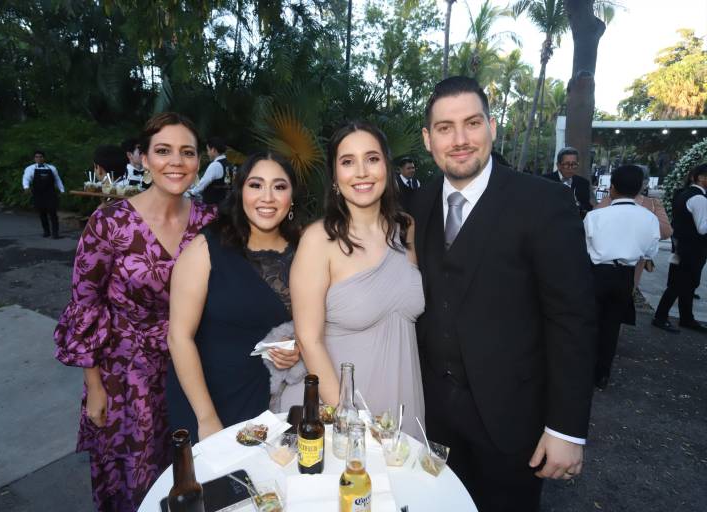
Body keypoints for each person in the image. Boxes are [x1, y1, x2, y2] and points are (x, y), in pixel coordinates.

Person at [410, 77, 596, 512]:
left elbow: (573, 319)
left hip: (513, 424)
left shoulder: (543, 202)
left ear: (492, 128)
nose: (459, 139)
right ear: (427, 138)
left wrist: (566, 429)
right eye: (444, 127)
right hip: (430, 420)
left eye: (472, 123)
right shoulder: (414, 206)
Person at [53, 112, 217, 511]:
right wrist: (94, 388)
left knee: (195, 478)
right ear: (143, 158)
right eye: (163, 151)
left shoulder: (210, 222)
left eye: (187, 152)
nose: (175, 162)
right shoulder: (108, 223)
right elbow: (85, 306)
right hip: (126, 377)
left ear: (199, 161)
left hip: (193, 368)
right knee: (135, 484)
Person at [278, 121, 426, 440]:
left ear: (386, 167)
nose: (361, 171)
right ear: (335, 176)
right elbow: (309, 339)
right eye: (347, 162)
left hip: (403, 400)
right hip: (340, 412)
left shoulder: (405, 228)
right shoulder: (318, 240)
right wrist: (350, 419)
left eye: (371, 159)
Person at [167, 152, 301, 441]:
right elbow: (179, 337)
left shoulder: (305, 249)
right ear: (240, 192)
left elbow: (315, 321)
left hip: (277, 402)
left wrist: (299, 346)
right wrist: (206, 419)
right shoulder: (206, 248)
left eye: (279, 187)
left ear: (291, 197)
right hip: (210, 398)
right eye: (256, 185)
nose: (267, 197)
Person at [584, 165, 660, 390]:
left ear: (612, 188)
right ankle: (602, 374)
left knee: (590, 324)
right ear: (639, 189)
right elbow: (650, 253)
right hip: (625, 275)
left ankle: (583, 369)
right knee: (612, 325)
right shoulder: (649, 218)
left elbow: (584, 248)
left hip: (597, 273)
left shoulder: (596, 215)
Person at [596, 174, 672, 302]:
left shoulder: (652, 204)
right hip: (609, 261)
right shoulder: (608, 201)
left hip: (632, 262)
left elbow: (665, 231)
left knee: (621, 297)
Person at [652, 163, 707, 333]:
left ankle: (686, 318)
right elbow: (702, 228)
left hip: (682, 246)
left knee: (687, 284)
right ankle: (661, 317)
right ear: (699, 177)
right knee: (680, 284)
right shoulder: (699, 198)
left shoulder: (683, 194)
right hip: (693, 248)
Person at [22, 150, 65, 239]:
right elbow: (26, 178)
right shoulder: (30, 169)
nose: (39, 158)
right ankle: (46, 231)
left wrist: (62, 190)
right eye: (37, 157)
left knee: (53, 212)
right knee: (42, 213)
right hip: (38, 194)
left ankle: (55, 233)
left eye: (41, 156)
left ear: (44, 158)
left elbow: (57, 179)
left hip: (50, 193)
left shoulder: (52, 168)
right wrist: (26, 187)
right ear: (34, 158)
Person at [544, 146, 593, 217]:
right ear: (558, 165)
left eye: (574, 164)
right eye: (566, 164)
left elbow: (587, 207)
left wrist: (579, 206)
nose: (570, 168)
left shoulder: (583, 183)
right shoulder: (546, 180)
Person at [188, 136, 230, 205]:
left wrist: (192, 192)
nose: (208, 153)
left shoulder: (215, 165)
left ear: (213, 150)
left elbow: (203, 183)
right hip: (223, 205)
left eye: (208, 150)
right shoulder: (228, 164)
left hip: (211, 207)